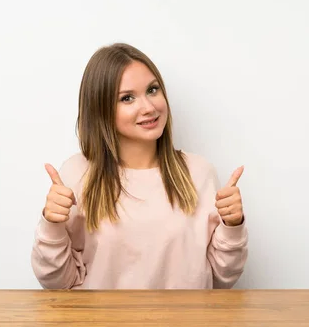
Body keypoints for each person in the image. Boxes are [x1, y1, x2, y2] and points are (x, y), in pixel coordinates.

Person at [30, 43, 248, 290]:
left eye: (152, 90)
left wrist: (232, 227)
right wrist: (52, 225)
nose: (149, 107)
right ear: (100, 110)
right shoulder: (78, 174)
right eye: (127, 98)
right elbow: (57, 283)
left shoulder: (199, 173)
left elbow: (221, 279)